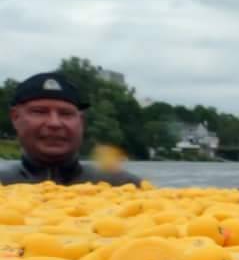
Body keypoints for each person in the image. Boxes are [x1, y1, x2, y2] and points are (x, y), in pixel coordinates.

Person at [0, 72, 142, 186]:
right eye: (40, 112)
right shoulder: (3, 184)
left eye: (65, 113)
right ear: (15, 117)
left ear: (81, 121)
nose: (54, 123)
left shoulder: (123, 186)